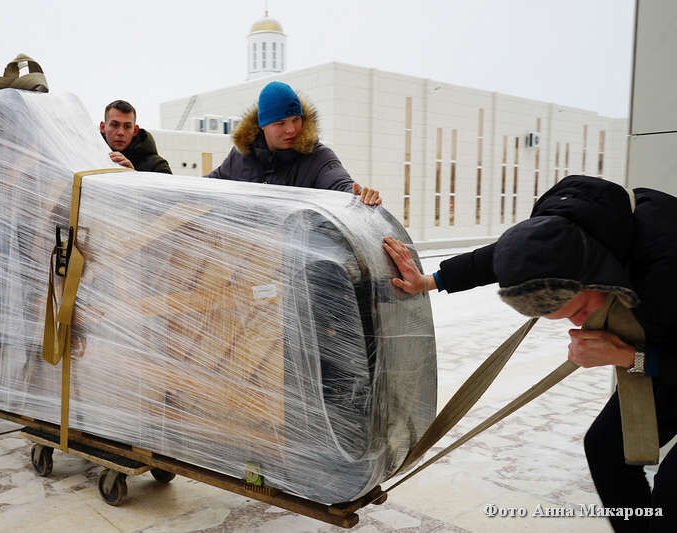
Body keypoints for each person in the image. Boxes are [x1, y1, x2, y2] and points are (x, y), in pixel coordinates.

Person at [383, 175, 675, 531]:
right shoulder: (572, 231)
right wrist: (429, 281)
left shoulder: (666, 262)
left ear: (597, 272)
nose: (581, 322)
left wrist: (630, 357)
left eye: (579, 309)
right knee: (606, 448)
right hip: (663, 344)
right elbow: (510, 257)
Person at [206, 81, 381, 205]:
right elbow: (208, 185)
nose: (291, 129)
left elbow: (340, 184)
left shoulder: (318, 157)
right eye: (280, 123)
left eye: (296, 119)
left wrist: (358, 194)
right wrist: (178, 186)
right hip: (246, 252)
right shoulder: (241, 156)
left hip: (295, 256)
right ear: (262, 126)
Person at [99, 99, 171, 173]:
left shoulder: (157, 166)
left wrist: (133, 177)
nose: (121, 132)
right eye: (114, 125)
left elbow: (167, 185)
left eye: (127, 127)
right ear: (102, 127)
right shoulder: (90, 158)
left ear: (135, 131)